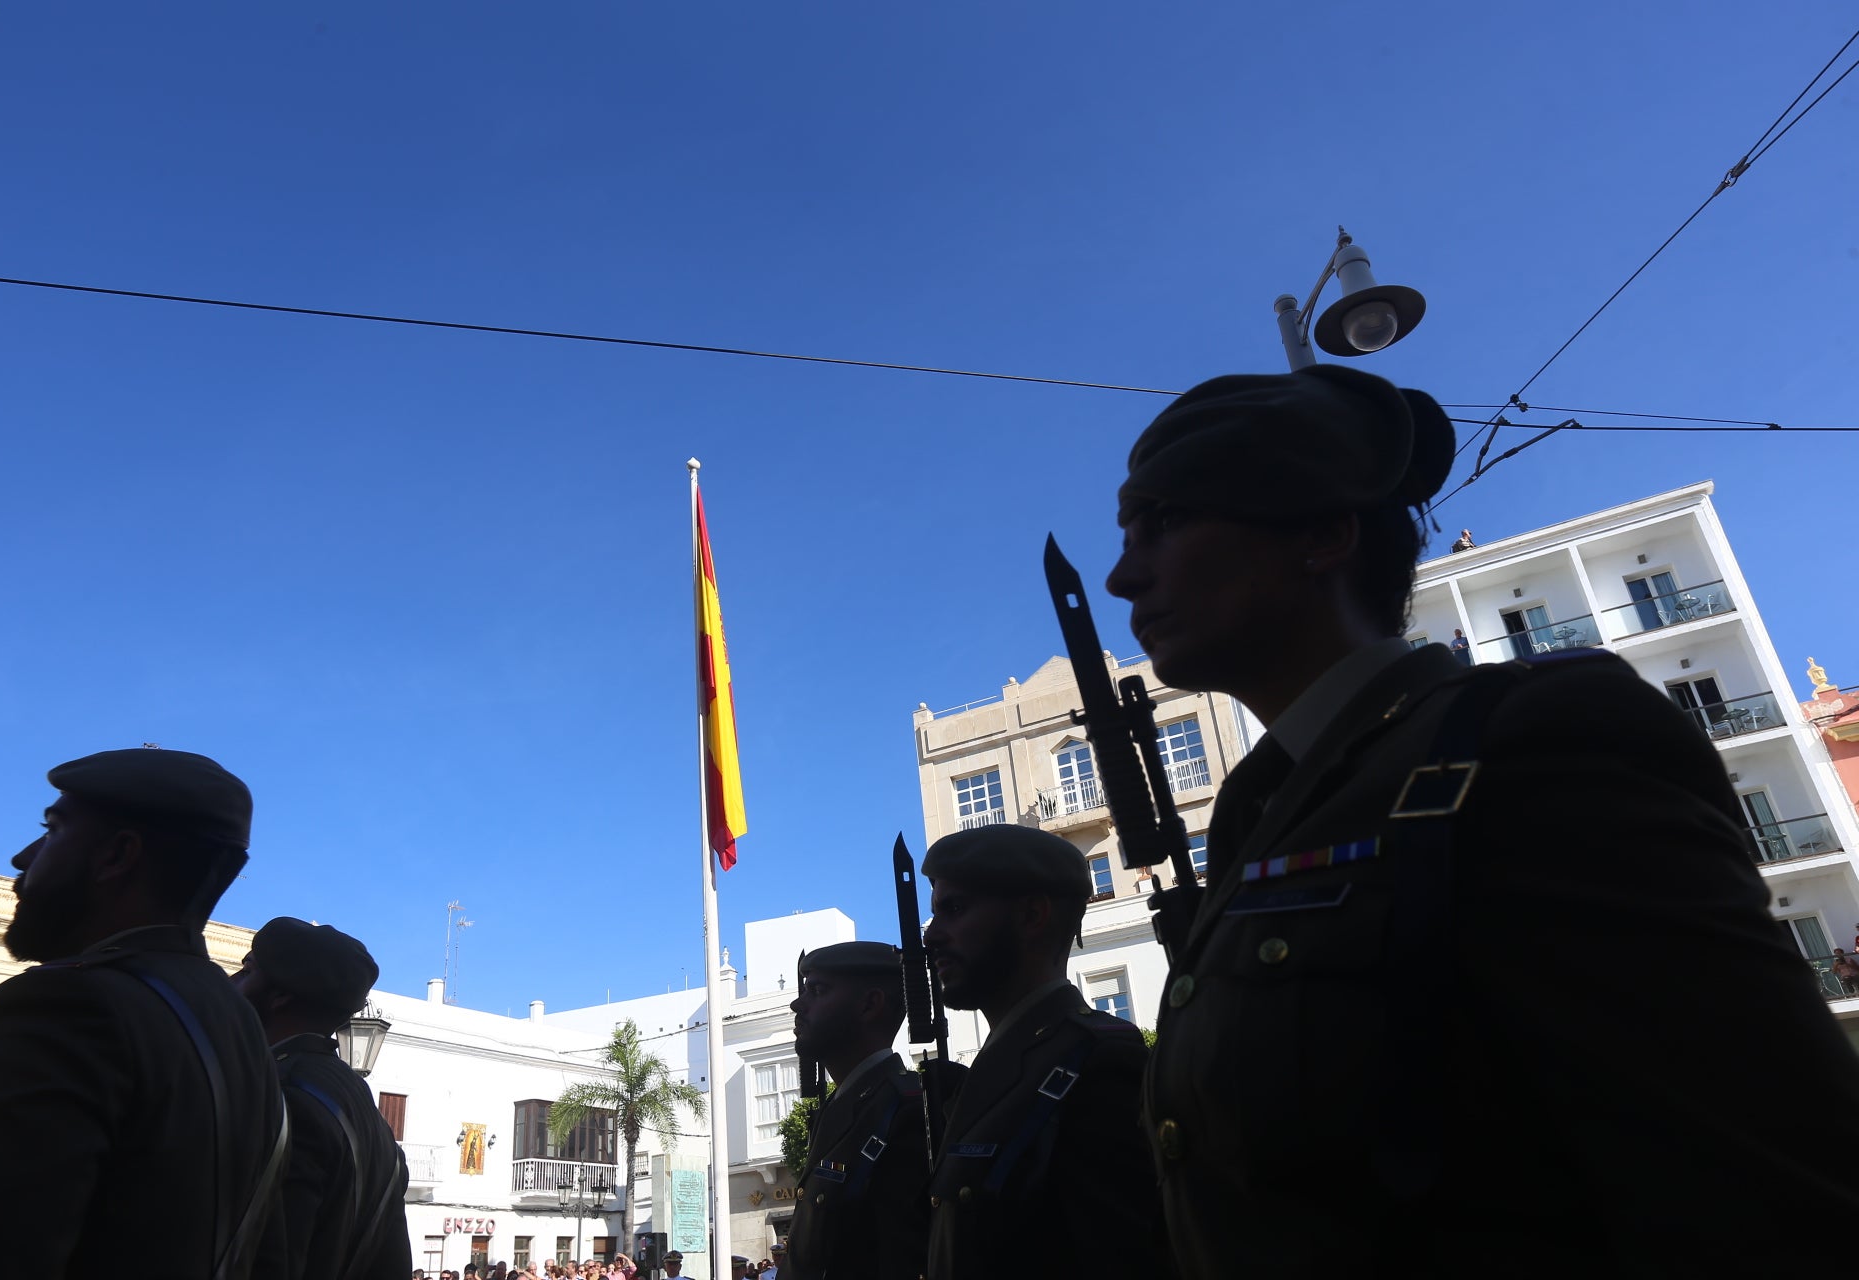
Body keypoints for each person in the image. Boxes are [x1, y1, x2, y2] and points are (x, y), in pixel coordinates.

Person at [1104, 363, 1859, 1273]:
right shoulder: (1259, 811)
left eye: (1167, 522)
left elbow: (1767, 1190)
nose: (1121, 575)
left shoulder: (1533, 742)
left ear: (1323, 534)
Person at [0, 748, 287, 1277]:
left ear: (116, 856)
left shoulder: (63, 1006)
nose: (23, 856)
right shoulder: (241, 1034)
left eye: (52, 829)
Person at [918, 826, 1153, 1280]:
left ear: (1031, 915)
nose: (932, 937)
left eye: (954, 909)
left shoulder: (1098, 1059)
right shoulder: (994, 1072)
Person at [236, 916, 410, 1280]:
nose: (232, 983)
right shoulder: (365, 1109)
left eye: (247, 971)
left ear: (279, 995)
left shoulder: (285, 1094)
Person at [780, 942, 934, 1280]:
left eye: (818, 990)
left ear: (870, 1005)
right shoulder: (841, 1108)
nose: (797, 1003)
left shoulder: (908, 1110)